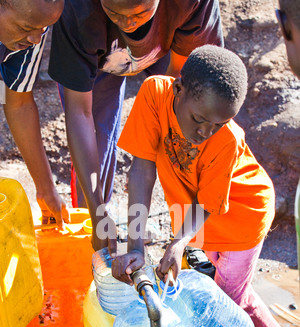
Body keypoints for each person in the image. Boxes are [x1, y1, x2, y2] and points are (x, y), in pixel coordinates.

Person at [111, 44, 289, 327]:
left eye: (217, 125)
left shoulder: (226, 138)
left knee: (223, 304)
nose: (205, 132)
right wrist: (136, 248)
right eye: (199, 119)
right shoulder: (154, 95)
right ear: (178, 89)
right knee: (235, 292)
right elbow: (141, 171)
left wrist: (179, 243)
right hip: (200, 217)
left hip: (243, 217)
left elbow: (208, 203)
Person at [181, 0, 300, 327]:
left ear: (285, 29)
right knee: (240, 295)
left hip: (242, 224)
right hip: (216, 229)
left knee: (228, 300)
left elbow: (211, 199)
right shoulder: (161, 109)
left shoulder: (220, 135)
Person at [48, 0, 224, 253]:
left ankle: (193, 239)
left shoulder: (189, 4)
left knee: (187, 134)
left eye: (139, 13)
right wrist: (97, 213)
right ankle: (96, 226)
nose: (128, 23)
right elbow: (80, 112)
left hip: (169, 48)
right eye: (116, 14)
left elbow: (181, 86)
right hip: (99, 60)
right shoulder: (77, 10)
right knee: (97, 142)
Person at [0, 0, 69, 228]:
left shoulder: (32, 26)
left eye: (44, 29)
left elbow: (18, 103)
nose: (36, 39)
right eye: (26, 29)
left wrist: (46, 187)